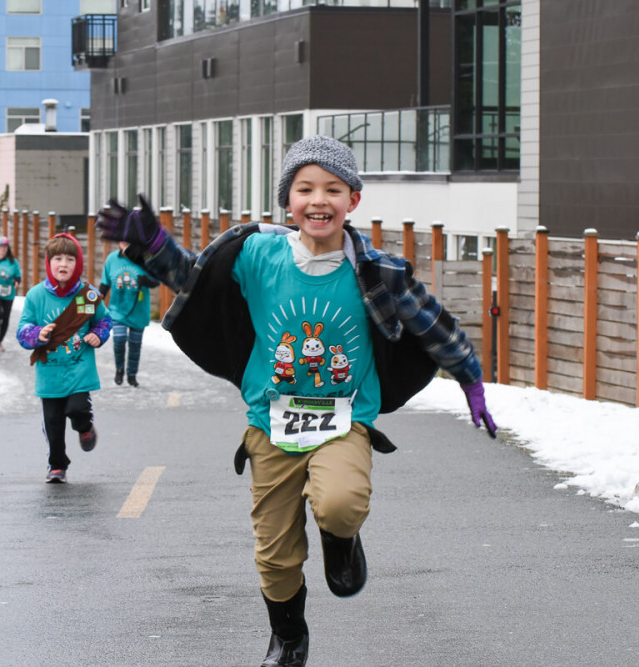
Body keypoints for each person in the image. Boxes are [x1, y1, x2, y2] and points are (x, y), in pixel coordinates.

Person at [96, 136, 497, 667]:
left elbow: (434, 324)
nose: (318, 200)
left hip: (345, 419)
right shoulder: (257, 255)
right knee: (275, 553)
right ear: (288, 201)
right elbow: (191, 278)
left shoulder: (378, 271)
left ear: (353, 200)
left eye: (333, 189)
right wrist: (153, 243)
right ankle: (288, 635)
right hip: (271, 423)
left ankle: (340, 540)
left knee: (340, 503)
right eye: (305, 189)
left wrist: (470, 377)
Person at [16, 233, 112, 484]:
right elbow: (22, 330)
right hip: (49, 373)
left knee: (77, 409)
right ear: (48, 262)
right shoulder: (36, 296)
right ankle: (57, 466)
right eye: (57, 258)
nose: (63, 264)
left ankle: (85, 427)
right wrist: (37, 334)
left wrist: (98, 334)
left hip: (80, 369)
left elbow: (104, 320)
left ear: (78, 264)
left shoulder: (87, 296)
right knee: (53, 424)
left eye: (70, 259)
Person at [99, 241, 160, 386]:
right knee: (119, 339)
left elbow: (156, 280)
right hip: (118, 310)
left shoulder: (144, 258)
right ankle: (119, 369)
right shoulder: (112, 259)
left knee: (135, 345)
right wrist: (95, 303)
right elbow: (105, 284)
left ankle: (132, 375)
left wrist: (146, 280)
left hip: (139, 311)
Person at [0, 236, 23, 352]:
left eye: (4, 247)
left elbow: (18, 276)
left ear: (8, 248)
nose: (2, 249)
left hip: (9, 293)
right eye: (0, 247)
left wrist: (17, 282)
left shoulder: (13, 261)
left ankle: (0, 342)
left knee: (5, 317)